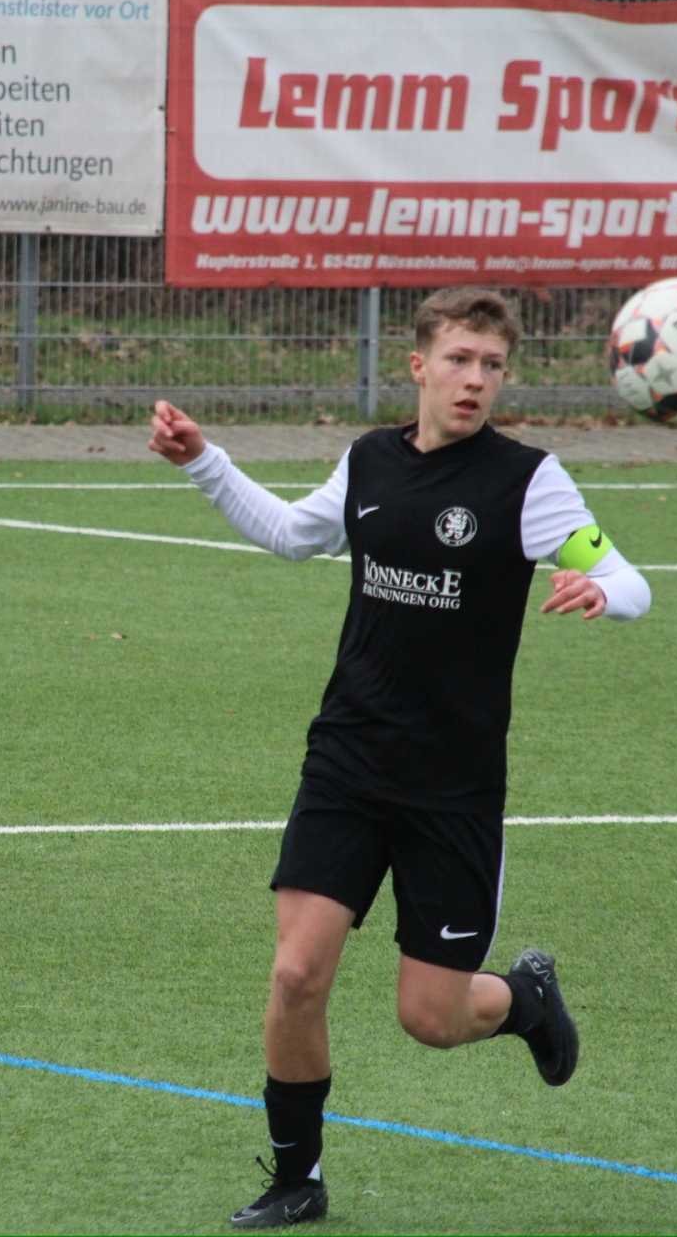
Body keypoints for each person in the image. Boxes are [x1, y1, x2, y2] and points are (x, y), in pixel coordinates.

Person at [149, 288, 651, 1229]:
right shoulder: (369, 460)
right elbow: (292, 536)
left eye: (492, 365)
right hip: (347, 761)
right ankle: (297, 1178)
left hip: (451, 789)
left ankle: (527, 998)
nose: (475, 380)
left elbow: (630, 579)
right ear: (418, 366)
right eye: (459, 359)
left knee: (431, 1018)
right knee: (296, 976)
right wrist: (204, 462)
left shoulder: (530, 484)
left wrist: (602, 592)